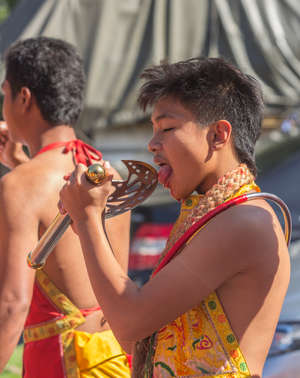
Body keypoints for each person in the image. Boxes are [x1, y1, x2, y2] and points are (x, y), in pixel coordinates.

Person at [59, 57, 291, 378]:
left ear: (219, 135)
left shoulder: (243, 220)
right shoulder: (209, 214)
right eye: (153, 131)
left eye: (167, 128)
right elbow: (136, 334)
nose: (153, 145)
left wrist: (87, 219)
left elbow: (130, 325)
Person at [0, 37, 131, 377]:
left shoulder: (20, 185)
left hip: (61, 362)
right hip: (113, 358)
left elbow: (13, 303)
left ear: (23, 98)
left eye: (5, 94)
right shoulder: (105, 171)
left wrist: (21, 173)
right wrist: (21, 165)